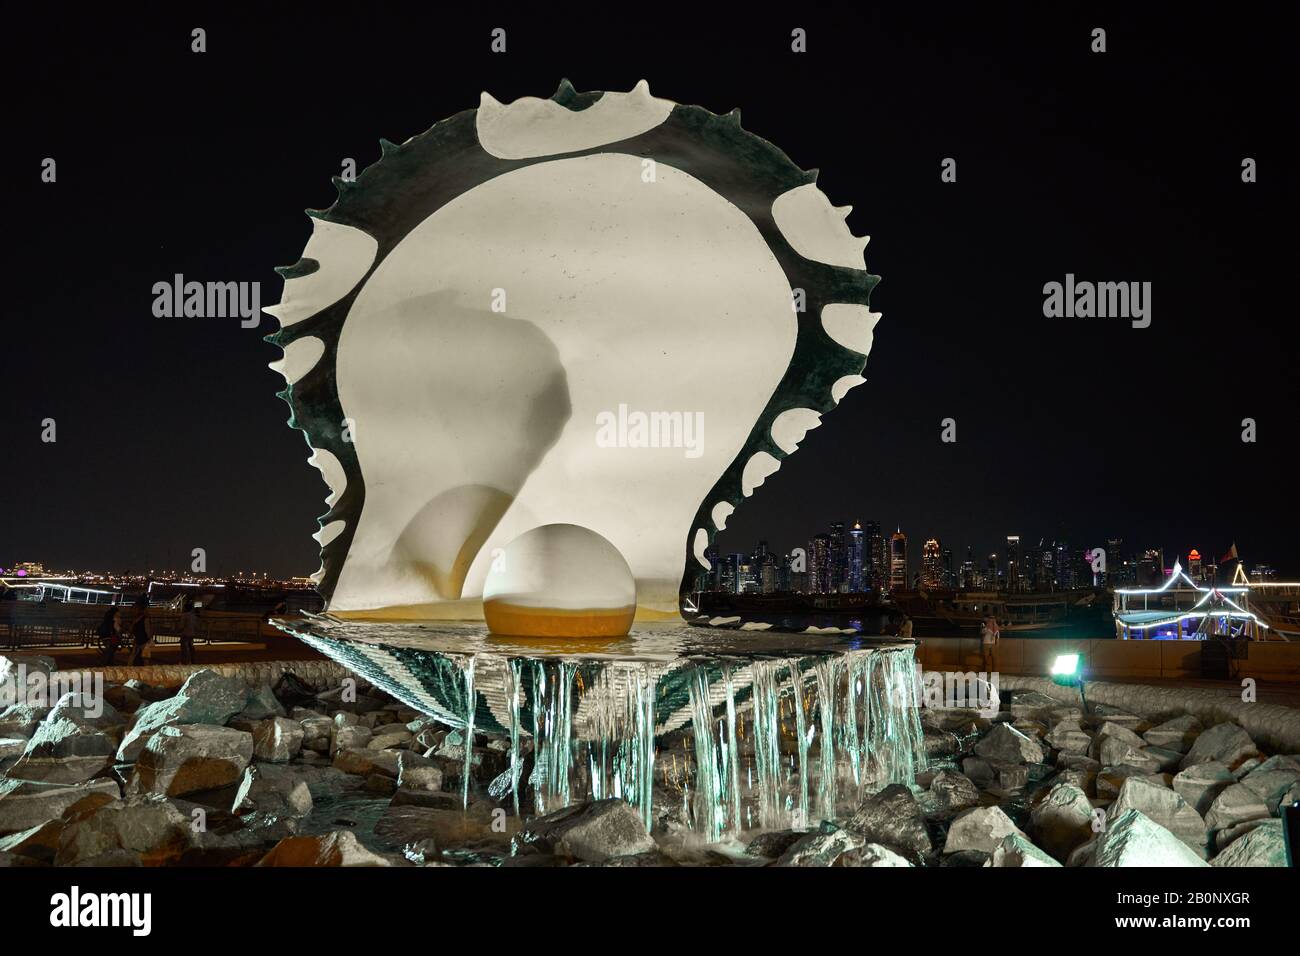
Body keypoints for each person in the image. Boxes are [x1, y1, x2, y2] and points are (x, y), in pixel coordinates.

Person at [127, 595, 153, 667]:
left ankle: (128, 667)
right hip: (144, 639)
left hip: (137, 638)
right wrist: (149, 638)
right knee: (145, 657)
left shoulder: (136, 619)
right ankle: (146, 670)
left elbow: (131, 628)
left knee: (133, 654)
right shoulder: (145, 619)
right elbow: (147, 629)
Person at [179, 595, 200, 665]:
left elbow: (181, 626)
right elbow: (196, 625)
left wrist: (179, 630)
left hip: (185, 634)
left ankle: (185, 661)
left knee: (184, 648)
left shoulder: (184, 615)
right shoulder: (193, 615)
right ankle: (193, 660)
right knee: (191, 647)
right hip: (192, 633)